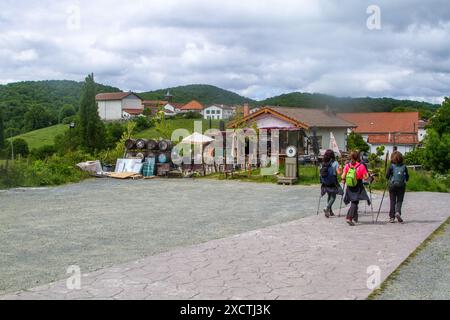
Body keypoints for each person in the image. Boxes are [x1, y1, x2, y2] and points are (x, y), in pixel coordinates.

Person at [341, 151, 370, 226]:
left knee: (353, 201)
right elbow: (365, 178)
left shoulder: (347, 165)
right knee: (355, 202)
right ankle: (349, 217)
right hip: (358, 185)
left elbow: (343, 176)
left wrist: (345, 179)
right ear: (358, 157)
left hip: (349, 186)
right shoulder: (361, 166)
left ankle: (354, 217)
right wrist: (369, 175)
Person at [386, 151, 409, 223]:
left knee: (392, 200)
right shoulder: (404, 166)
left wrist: (389, 178)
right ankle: (398, 212)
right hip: (401, 185)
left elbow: (387, 176)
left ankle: (391, 217)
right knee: (399, 200)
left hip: (392, 185)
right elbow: (407, 177)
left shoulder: (391, 166)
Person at [320, 150, 343, 218]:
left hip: (325, 182)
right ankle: (327, 208)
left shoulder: (323, 163)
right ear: (333, 155)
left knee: (329, 196)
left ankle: (330, 212)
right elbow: (339, 173)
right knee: (333, 197)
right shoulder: (335, 163)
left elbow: (321, 173)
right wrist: (341, 169)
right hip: (333, 182)